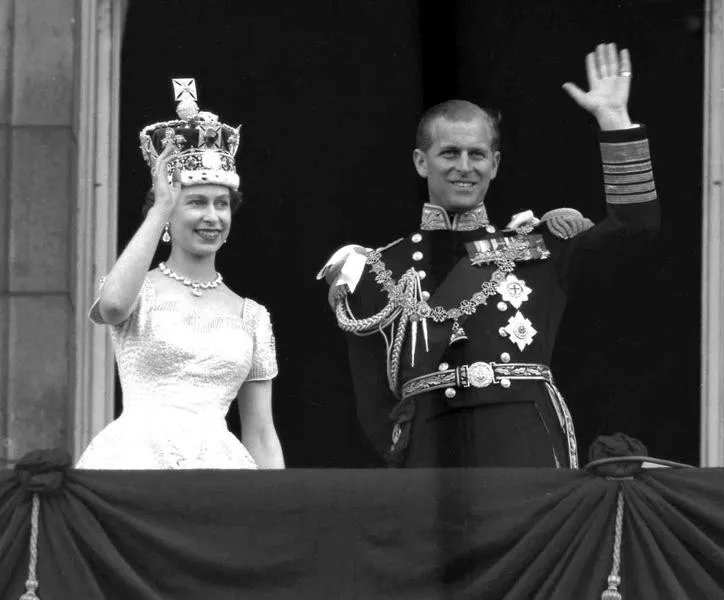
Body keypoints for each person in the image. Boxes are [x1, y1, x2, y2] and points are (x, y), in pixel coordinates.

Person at [319, 43, 659, 468]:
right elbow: (371, 401)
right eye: (450, 153)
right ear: (421, 162)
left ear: (495, 164)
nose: (465, 166)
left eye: (477, 154)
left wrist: (614, 120)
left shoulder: (539, 248)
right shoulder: (376, 269)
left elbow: (636, 228)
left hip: (524, 448)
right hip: (428, 455)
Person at [77, 79, 284, 469]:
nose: (212, 216)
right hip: (133, 464)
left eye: (222, 204)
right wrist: (161, 207)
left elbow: (260, 432)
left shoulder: (252, 316)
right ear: (169, 212)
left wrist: (281, 515)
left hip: (219, 470)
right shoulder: (138, 289)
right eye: (196, 203)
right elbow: (113, 306)